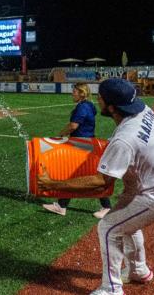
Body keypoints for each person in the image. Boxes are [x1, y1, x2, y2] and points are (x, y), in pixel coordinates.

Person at [38, 78, 154, 295]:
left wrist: (54, 184)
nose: (97, 100)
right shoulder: (143, 110)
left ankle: (111, 289)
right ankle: (138, 270)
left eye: (100, 98)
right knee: (126, 222)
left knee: (108, 227)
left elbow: (101, 181)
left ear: (111, 107)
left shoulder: (124, 139)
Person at [42, 83, 111, 218]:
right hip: (87, 143)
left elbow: (73, 126)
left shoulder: (83, 107)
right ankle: (62, 205)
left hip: (81, 144)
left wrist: (61, 134)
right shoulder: (89, 106)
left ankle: (106, 206)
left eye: (74, 91)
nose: (72, 93)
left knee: (79, 174)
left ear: (81, 93)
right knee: (75, 174)